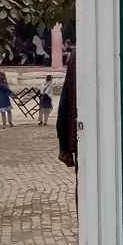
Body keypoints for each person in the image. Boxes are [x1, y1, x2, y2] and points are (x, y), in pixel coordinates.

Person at [56, 49, 78, 207]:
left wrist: (64, 147)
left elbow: (65, 101)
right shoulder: (77, 56)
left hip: (82, 138)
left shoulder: (77, 56)